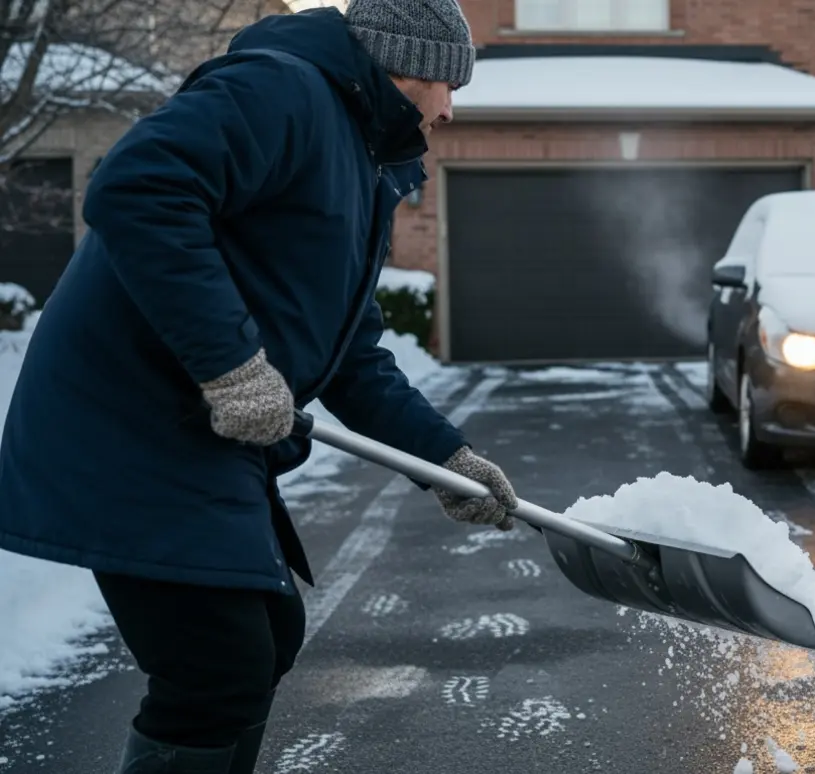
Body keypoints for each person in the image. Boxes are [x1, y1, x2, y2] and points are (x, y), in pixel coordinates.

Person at [0, 1, 518, 771]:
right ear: (407, 66)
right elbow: (136, 188)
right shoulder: (283, 91)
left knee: (262, 641)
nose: (449, 111)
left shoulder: (363, 160)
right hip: (128, 421)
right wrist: (232, 365)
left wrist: (444, 458)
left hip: (196, 429)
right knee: (217, 665)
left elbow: (350, 356)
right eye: (449, 86)